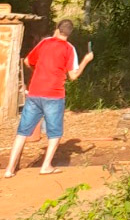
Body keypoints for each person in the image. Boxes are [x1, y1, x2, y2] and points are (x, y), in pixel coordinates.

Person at [4, 20, 93, 177]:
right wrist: (86, 60)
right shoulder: (69, 48)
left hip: (35, 92)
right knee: (55, 133)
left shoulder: (44, 43)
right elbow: (73, 76)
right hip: (54, 95)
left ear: (57, 29)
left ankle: (9, 169)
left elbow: (27, 61)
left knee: (22, 132)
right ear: (69, 33)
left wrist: (37, 70)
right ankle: (46, 166)